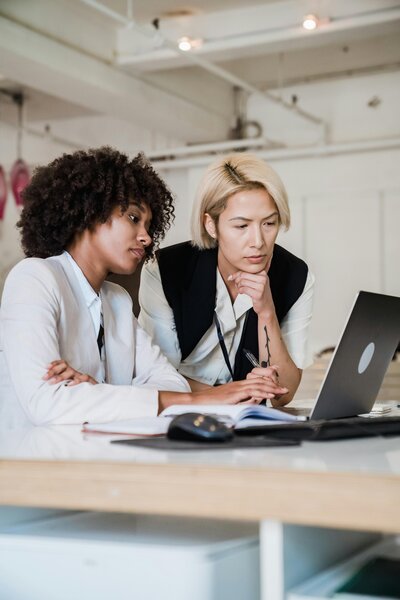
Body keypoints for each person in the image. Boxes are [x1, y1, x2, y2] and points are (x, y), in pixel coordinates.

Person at [0, 147, 280, 427]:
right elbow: (46, 403)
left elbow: (173, 384)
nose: (146, 237)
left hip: (92, 457)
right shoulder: (34, 278)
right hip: (30, 462)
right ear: (90, 213)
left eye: (148, 225)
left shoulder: (116, 300)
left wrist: (97, 390)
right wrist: (193, 401)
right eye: (134, 218)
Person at [138, 153, 315, 406]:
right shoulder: (165, 270)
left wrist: (267, 312)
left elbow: (283, 394)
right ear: (211, 225)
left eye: (269, 223)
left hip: (249, 422)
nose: (258, 241)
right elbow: (155, 377)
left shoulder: (297, 276)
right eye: (241, 226)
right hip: (180, 417)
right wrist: (235, 392)